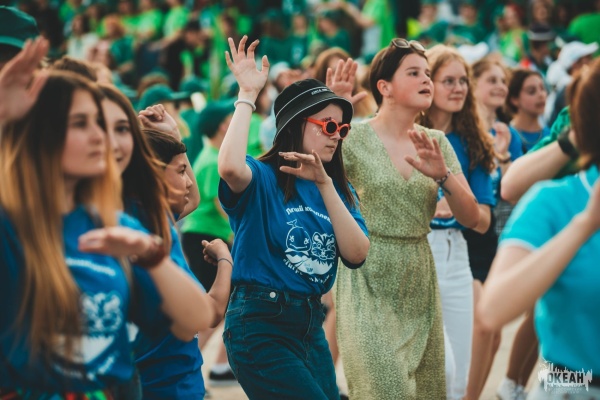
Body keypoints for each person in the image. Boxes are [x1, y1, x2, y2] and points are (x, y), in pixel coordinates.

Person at [0, 71, 213, 396]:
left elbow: (195, 318)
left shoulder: (119, 226)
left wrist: (152, 257)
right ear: (40, 134)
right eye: (80, 123)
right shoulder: (12, 226)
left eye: (109, 125)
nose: (101, 136)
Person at [218, 36, 369, 399]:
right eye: (328, 126)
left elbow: (357, 253)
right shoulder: (262, 177)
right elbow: (230, 167)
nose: (336, 136)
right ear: (296, 125)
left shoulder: (337, 190)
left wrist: (325, 184)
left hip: (310, 326)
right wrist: (247, 96)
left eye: (342, 129)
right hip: (260, 324)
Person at [335, 38, 480, 400]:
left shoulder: (436, 141)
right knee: (386, 387)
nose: (426, 80)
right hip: (366, 273)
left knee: (425, 390)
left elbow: (472, 217)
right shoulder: (352, 138)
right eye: (414, 73)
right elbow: (303, 170)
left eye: (428, 73)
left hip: (418, 276)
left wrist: (443, 176)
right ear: (384, 87)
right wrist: (331, 113)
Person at [478, 57, 600, 400]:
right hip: (574, 384)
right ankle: (511, 385)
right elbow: (493, 310)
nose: (540, 96)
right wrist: (584, 225)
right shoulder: (557, 199)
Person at [99, 85, 230, 399]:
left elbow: (191, 198)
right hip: (169, 387)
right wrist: (225, 259)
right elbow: (209, 313)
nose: (187, 182)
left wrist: (173, 138)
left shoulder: (142, 213)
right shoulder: (143, 229)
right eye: (181, 171)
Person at [417, 44, 496, 400]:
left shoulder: (475, 143)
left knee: (459, 378)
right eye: (448, 80)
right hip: (415, 253)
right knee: (437, 369)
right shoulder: (405, 135)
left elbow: (483, 221)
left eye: (463, 81)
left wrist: (457, 203)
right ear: (427, 84)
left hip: (456, 256)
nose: (459, 88)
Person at [506, 69, 550, 153]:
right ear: (514, 99)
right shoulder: (506, 137)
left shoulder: (550, 135)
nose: (541, 95)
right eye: (531, 91)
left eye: (542, 88)